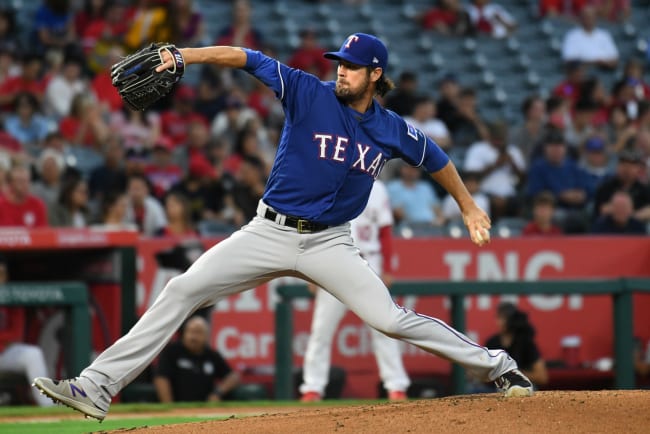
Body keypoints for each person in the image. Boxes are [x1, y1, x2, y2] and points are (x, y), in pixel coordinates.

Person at [33, 32, 533, 421]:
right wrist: (185, 56)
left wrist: (468, 206)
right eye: (339, 64)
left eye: (352, 68)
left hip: (331, 242)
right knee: (182, 289)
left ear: (376, 74)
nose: (341, 72)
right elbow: (245, 57)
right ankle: (96, 387)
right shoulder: (306, 91)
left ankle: (498, 366)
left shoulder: (392, 128)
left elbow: (438, 160)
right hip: (267, 231)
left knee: (389, 320)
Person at [300, 180, 410, 402]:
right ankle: (313, 387)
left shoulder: (377, 188)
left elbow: (386, 231)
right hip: (333, 262)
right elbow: (313, 227)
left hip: (369, 261)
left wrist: (387, 268)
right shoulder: (327, 181)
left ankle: (396, 386)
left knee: (385, 327)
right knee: (321, 330)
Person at [0, 253, 54, 406]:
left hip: (5, 352)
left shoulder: (13, 295)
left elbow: (16, 334)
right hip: (4, 346)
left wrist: (3, 341)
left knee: (32, 354)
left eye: (2, 274)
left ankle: (47, 407)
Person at [153, 316, 239, 403]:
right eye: (191, 332)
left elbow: (233, 377)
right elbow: (161, 378)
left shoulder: (211, 355)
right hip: (178, 405)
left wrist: (217, 393)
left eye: (199, 332)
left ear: (206, 336)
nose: (194, 337)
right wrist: (169, 405)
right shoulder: (172, 351)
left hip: (204, 408)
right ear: (184, 333)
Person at [484, 302, 549, 389]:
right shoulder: (492, 342)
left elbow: (542, 377)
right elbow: (483, 374)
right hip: (494, 391)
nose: (499, 322)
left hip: (521, 388)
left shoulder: (525, 342)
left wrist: (514, 374)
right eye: (498, 318)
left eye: (503, 318)